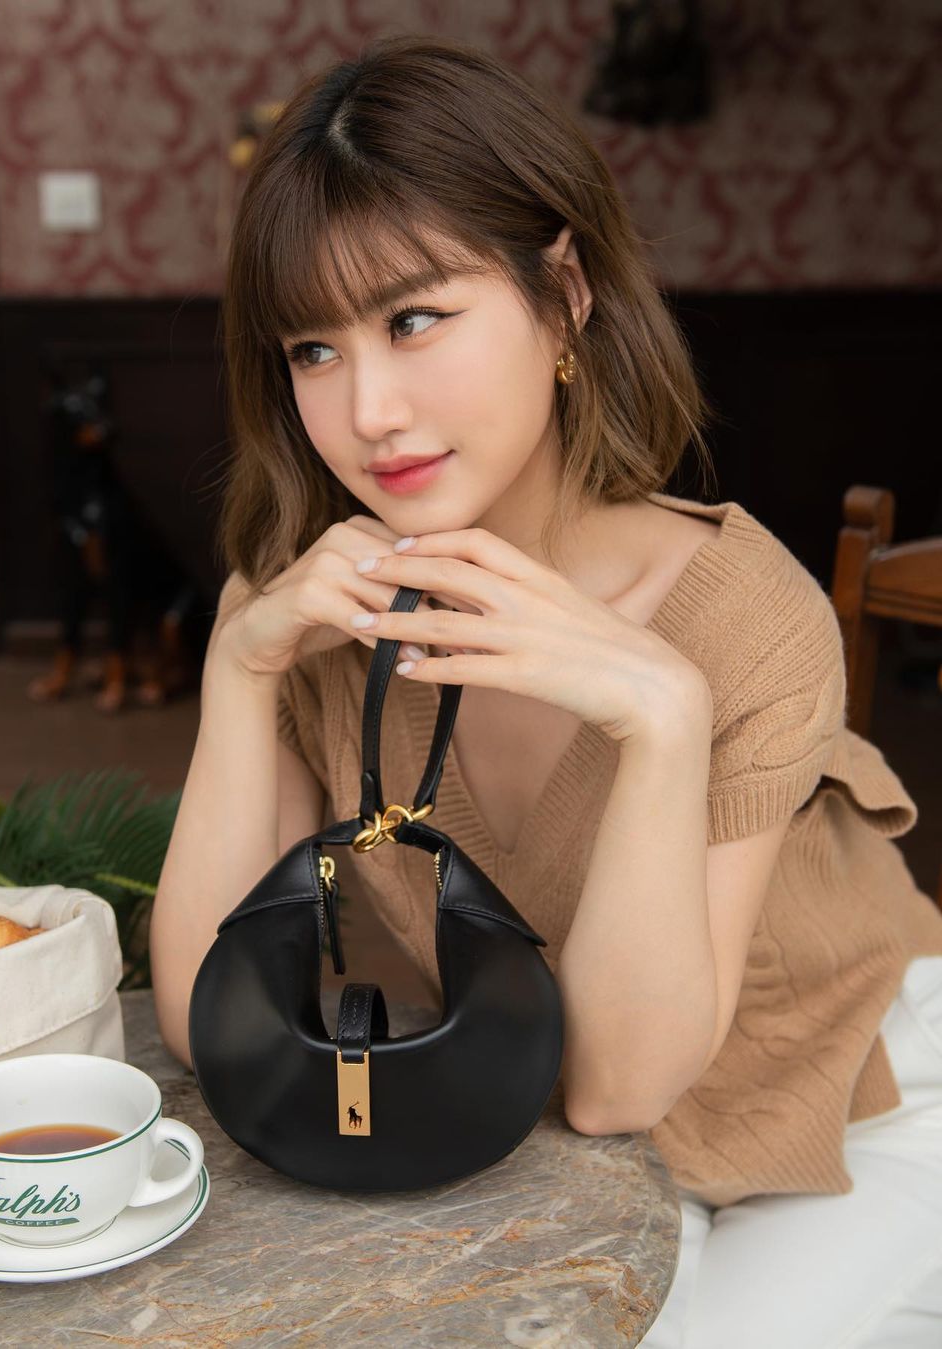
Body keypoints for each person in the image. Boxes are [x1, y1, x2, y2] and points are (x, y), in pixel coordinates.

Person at [149, 35, 942, 1348]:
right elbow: (202, 1018)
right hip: (536, 1118)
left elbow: (622, 1083)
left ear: (563, 295)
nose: (370, 410)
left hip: (850, 1095)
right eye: (314, 349)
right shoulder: (311, 607)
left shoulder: (744, 616)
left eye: (414, 319)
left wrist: (664, 719)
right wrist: (241, 666)